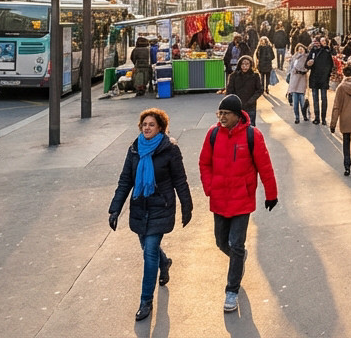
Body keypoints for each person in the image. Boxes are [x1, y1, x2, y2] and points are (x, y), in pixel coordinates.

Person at [108, 108, 193, 322]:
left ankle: (146, 301)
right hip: (139, 206)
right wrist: (115, 208)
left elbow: (180, 180)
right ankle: (164, 264)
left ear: (161, 128)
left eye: (151, 124)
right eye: (144, 124)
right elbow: (125, 180)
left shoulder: (170, 150)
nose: (147, 128)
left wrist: (187, 206)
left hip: (160, 206)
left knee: (149, 253)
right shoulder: (134, 149)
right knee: (148, 248)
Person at [198, 94, 278, 313]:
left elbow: (265, 167)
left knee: (235, 244)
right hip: (219, 199)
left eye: (225, 114)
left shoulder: (253, 136)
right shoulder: (213, 134)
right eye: (219, 113)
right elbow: (204, 163)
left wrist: (271, 194)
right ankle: (239, 258)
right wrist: (210, 187)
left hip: (242, 200)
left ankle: (231, 291)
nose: (221, 117)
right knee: (221, 242)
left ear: (236, 115)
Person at [225, 55, 264, 127]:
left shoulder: (255, 76)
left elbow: (260, 90)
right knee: (236, 127)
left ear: (250, 65)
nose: (244, 66)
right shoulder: (234, 76)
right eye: (242, 64)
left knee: (250, 128)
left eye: (247, 64)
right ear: (239, 65)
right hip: (236, 107)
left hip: (250, 106)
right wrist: (232, 102)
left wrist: (251, 101)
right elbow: (229, 91)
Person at [306, 34, 334, 125]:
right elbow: (306, 64)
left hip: (323, 78)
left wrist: (327, 75)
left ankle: (323, 118)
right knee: (315, 99)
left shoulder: (326, 51)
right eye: (316, 42)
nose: (317, 44)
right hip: (314, 78)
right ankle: (317, 117)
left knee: (324, 98)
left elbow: (331, 65)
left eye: (319, 42)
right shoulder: (312, 51)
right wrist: (308, 64)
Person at [287, 43, 311, 124]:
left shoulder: (306, 57)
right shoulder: (294, 57)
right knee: (295, 101)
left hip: (302, 79)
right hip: (294, 79)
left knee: (302, 99)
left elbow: (307, 68)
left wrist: (302, 70)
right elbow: (291, 68)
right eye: (299, 49)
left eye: (302, 49)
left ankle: (305, 115)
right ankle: (297, 117)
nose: (300, 50)